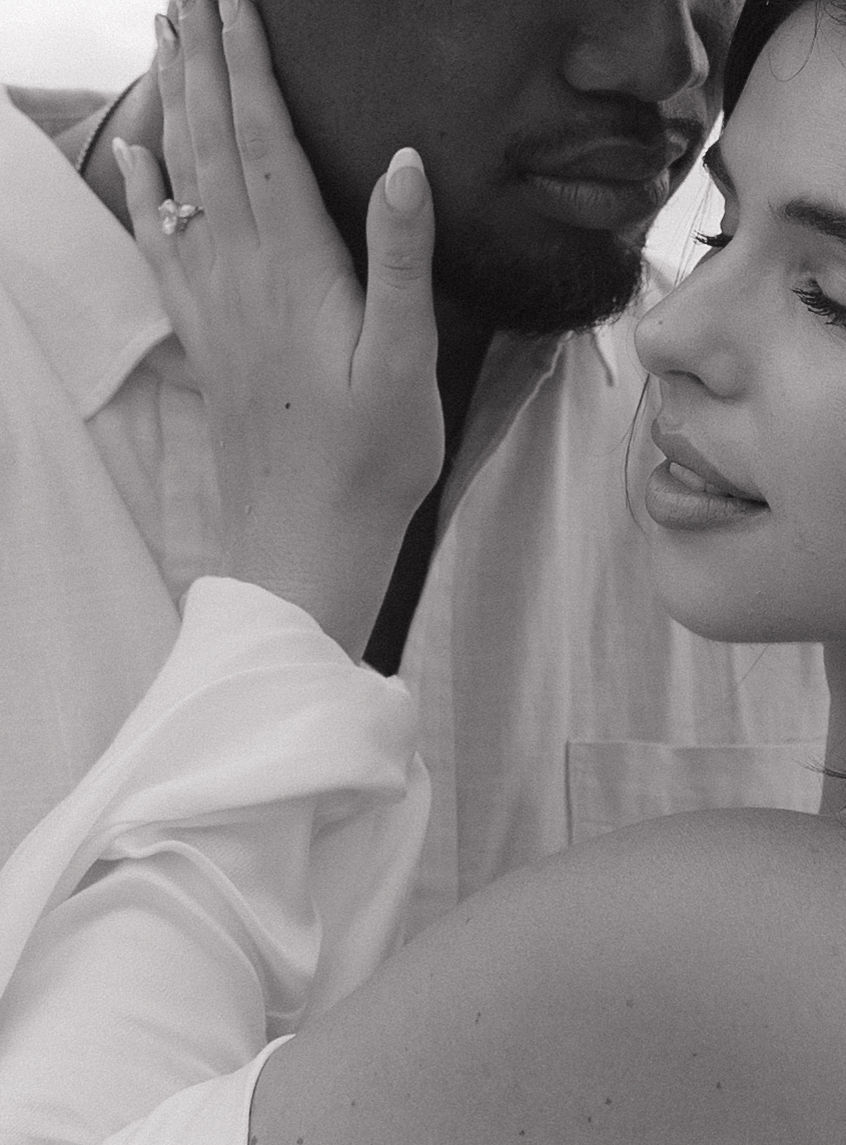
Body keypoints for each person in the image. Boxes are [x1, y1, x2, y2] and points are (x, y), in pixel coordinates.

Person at [4, 1, 846, 1140]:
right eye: (723, 231)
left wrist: (287, 604)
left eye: (827, 288)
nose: (667, 62)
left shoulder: (775, 508)